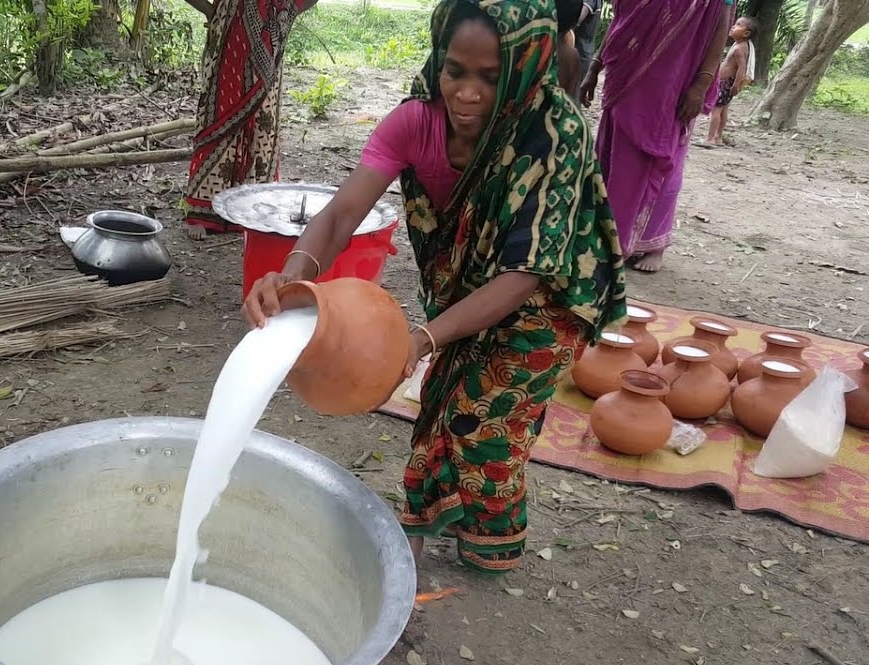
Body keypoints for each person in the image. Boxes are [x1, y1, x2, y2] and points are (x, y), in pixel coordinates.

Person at [242, 0, 627, 573]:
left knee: (486, 418)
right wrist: (292, 275)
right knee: (441, 404)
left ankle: (492, 544)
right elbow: (342, 213)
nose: (466, 93)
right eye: (454, 70)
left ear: (525, 65)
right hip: (467, 288)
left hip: (550, 295)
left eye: (489, 77)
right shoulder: (415, 121)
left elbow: (524, 274)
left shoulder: (555, 134)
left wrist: (421, 340)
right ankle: (417, 536)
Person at [580, 0, 731, 274]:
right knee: (612, 158)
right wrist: (594, 67)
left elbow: (720, 25)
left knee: (659, 155)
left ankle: (651, 244)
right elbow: (619, 21)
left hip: (672, 82)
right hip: (624, 77)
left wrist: (702, 83)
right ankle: (606, 237)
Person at [182, 0, 318, 233]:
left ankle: (254, 205)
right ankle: (202, 211)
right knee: (219, 116)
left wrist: (290, 11)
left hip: (271, 35)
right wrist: (209, 10)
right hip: (229, 32)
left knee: (262, 121)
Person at [706, 16, 759, 146]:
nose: (733, 26)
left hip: (726, 84)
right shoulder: (741, 45)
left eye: (738, 25)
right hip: (727, 83)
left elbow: (742, 68)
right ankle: (718, 137)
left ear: (746, 33)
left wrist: (736, 85)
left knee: (716, 110)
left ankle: (710, 138)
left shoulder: (739, 48)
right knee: (723, 110)